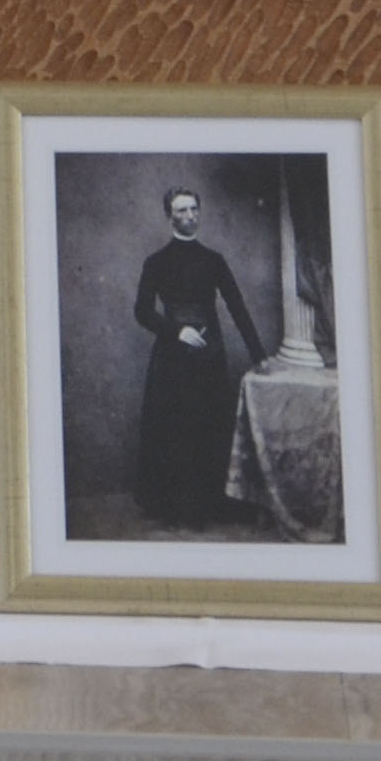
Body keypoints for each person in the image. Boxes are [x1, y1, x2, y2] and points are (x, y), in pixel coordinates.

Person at [127, 188, 264, 531]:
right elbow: (142, 311)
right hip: (171, 357)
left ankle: (208, 504)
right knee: (175, 429)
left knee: (209, 425)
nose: (189, 216)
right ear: (169, 216)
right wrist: (176, 331)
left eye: (193, 209)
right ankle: (178, 509)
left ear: (199, 212)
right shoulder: (156, 262)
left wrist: (259, 356)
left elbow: (237, 307)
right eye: (181, 210)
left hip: (209, 354)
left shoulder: (213, 260)